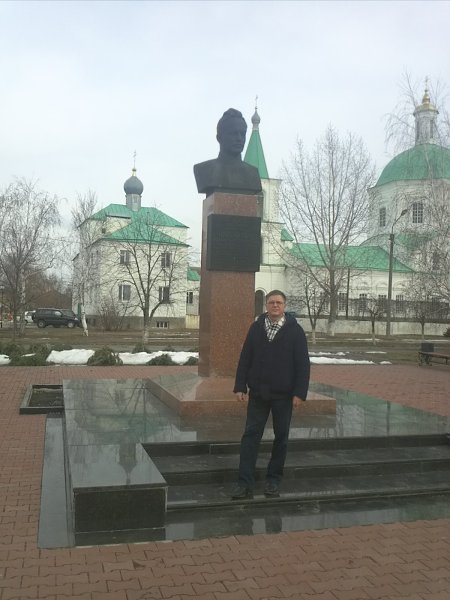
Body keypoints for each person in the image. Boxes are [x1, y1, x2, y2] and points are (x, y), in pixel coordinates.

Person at [231, 290, 310, 499]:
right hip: (258, 393)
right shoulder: (256, 328)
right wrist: (240, 386)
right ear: (266, 305)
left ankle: (273, 480)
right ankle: (244, 483)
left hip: (284, 396)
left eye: (279, 302)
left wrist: (299, 393)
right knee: (250, 437)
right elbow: (245, 358)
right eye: (272, 302)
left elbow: (303, 364)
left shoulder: (295, 331)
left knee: (281, 438)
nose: (275, 305)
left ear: (284, 306)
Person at [193, 108, 262, 196]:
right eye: (233, 134)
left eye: (242, 134)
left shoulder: (252, 174)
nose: (239, 139)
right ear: (219, 138)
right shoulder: (205, 170)